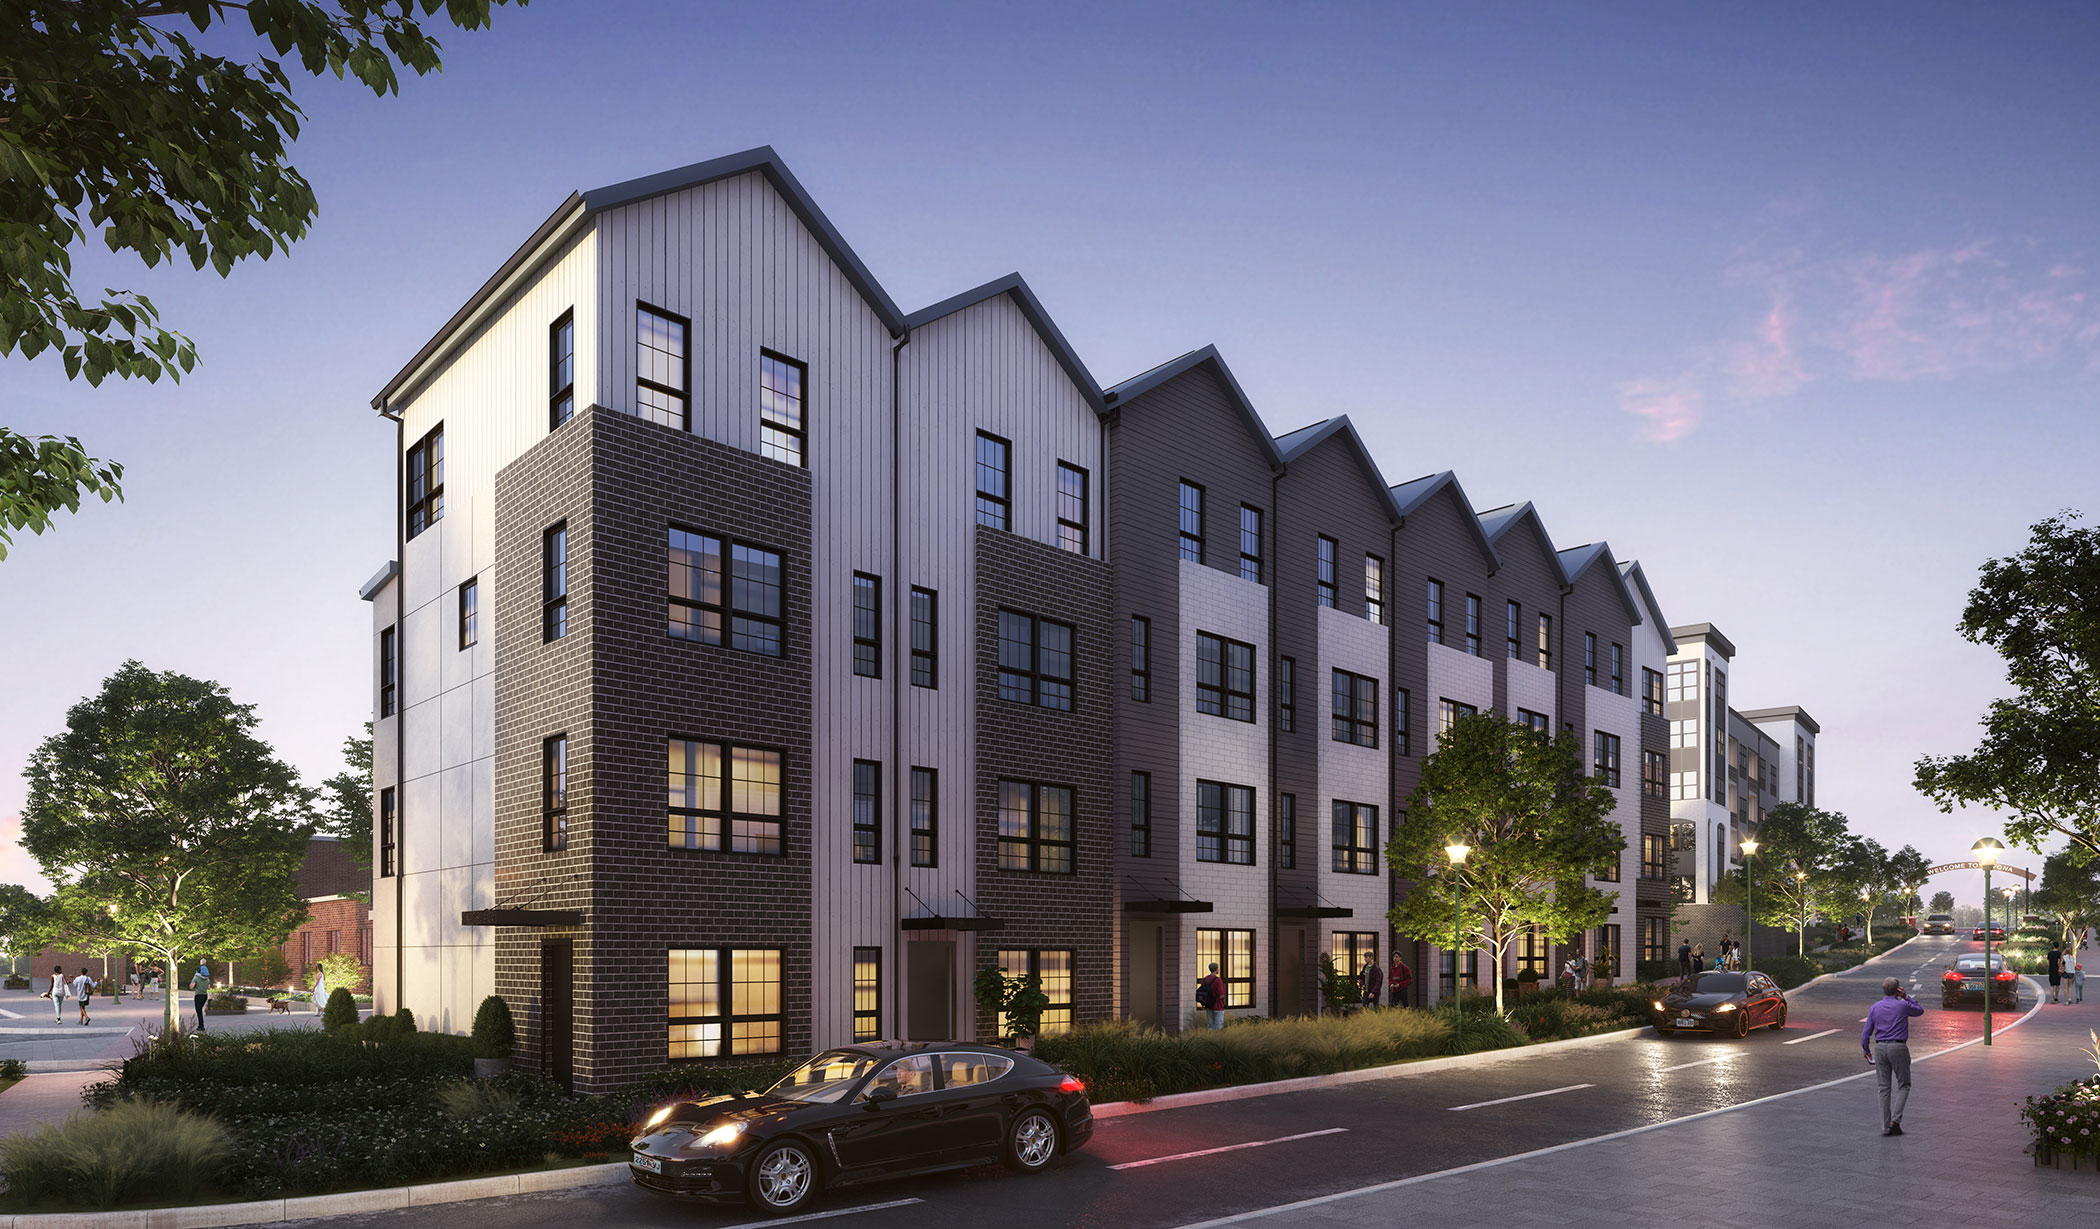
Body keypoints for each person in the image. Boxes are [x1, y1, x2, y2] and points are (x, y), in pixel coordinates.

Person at [1863, 976, 1925, 1136]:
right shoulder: (1903, 1005)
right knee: (1904, 1084)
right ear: (1898, 990)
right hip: (1898, 1047)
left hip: (1880, 1048)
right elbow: (1919, 1010)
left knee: (1883, 1088)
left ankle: (1885, 1127)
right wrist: (1906, 997)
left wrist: (1866, 1049)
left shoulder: (1875, 1007)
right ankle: (1895, 1122)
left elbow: (1866, 1033)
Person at [1195, 962, 1225, 1030]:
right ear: (1217, 969)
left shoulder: (1204, 980)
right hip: (1217, 1006)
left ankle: (1210, 1039)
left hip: (1208, 1005)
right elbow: (1221, 995)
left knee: (1210, 1026)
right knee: (1218, 1027)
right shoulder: (1218, 980)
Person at [191, 961, 212, 1032]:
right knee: (200, 1010)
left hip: (198, 996)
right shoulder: (207, 979)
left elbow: (191, 986)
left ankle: (201, 1026)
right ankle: (201, 1025)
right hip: (205, 996)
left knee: (199, 1011)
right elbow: (209, 987)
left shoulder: (196, 978)